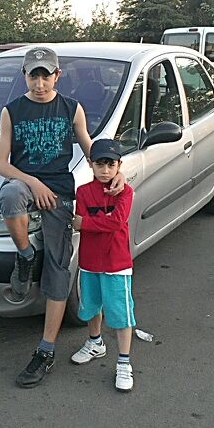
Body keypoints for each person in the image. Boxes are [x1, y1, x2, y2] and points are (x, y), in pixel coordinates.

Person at [0, 47, 125, 389]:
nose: (39, 83)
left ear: (57, 76)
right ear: (25, 76)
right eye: (33, 76)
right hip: (26, 184)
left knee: (58, 268)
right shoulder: (12, 111)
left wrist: (116, 172)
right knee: (10, 194)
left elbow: (92, 150)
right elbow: (1, 164)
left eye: (46, 75)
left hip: (60, 194)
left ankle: (46, 350)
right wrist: (33, 182)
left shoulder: (71, 108)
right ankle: (25, 256)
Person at [71, 138, 136, 392]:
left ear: (119, 165)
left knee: (121, 314)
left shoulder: (126, 192)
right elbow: (104, 222)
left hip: (117, 263)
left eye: (111, 164)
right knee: (91, 306)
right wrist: (104, 221)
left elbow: (117, 222)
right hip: (89, 262)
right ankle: (95, 342)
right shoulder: (83, 192)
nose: (105, 170)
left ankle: (124, 362)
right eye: (100, 164)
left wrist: (87, 223)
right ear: (90, 164)